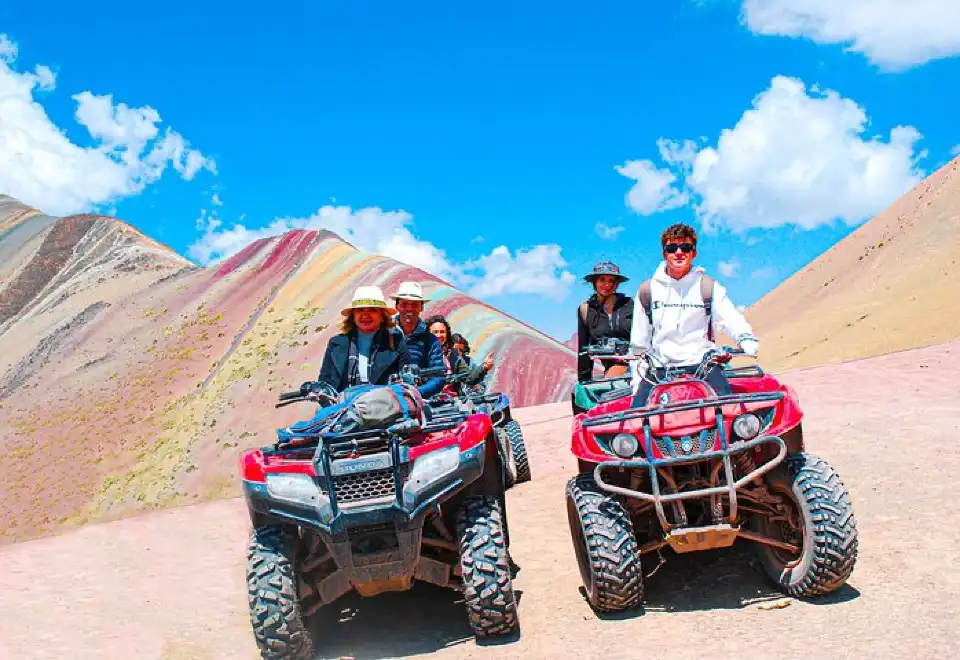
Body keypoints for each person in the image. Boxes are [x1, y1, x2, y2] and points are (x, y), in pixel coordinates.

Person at [629, 223, 759, 408]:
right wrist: (637, 381)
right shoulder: (647, 290)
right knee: (637, 420)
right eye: (672, 248)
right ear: (664, 254)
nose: (679, 252)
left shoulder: (708, 287)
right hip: (659, 369)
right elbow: (639, 344)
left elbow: (731, 318)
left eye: (686, 247)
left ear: (694, 253)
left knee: (730, 412)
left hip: (703, 365)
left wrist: (745, 338)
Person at [318, 285, 411, 391]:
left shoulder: (395, 342)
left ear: (382, 316)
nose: (365, 315)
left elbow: (407, 379)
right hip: (343, 405)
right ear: (353, 315)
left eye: (372, 310)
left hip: (385, 404)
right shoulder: (336, 343)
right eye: (360, 310)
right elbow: (324, 384)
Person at [576, 261, 635, 382]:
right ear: (594, 282)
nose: (607, 284)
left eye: (612, 281)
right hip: (614, 370)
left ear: (617, 284)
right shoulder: (585, 310)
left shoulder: (630, 305)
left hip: (641, 364)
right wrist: (584, 381)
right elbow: (584, 349)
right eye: (602, 279)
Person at [391, 281, 446, 397]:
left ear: (421, 307)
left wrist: (417, 392)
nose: (409, 308)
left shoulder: (431, 341)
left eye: (414, 304)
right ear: (397, 306)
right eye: (404, 304)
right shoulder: (383, 334)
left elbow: (438, 377)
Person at [426, 316, 492, 388]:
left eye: (442, 332)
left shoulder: (453, 355)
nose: (439, 335)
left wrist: (484, 367)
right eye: (435, 332)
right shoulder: (420, 352)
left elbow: (468, 379)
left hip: (449, 397)